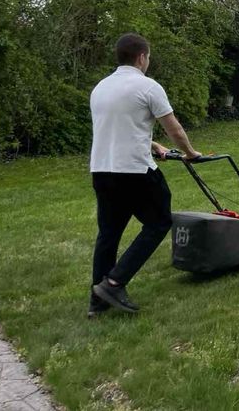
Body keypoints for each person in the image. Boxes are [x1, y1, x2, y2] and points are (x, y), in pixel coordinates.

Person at [88, 33, 201, 317]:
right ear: (141, 57)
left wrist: (152, 144)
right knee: (159, 221)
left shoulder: (101, 88)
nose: (148, 62)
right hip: (135, 171)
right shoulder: (148, 87)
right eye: (148, 57)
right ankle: (114, 282)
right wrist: (189, 153)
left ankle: (98, 300)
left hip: (102, 170)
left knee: (109, 233)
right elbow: (173, 127)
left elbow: (118, 127)